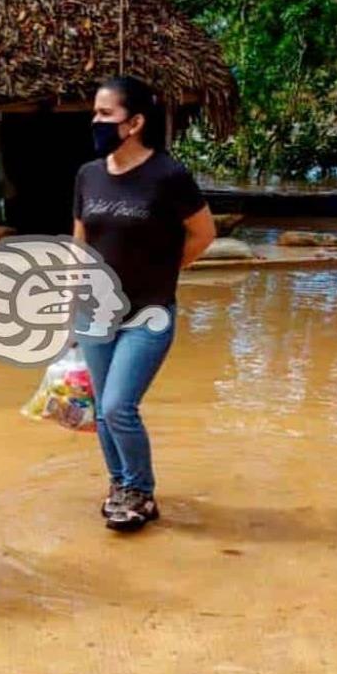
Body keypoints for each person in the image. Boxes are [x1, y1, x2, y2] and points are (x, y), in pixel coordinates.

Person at [72, 75, 216, 532]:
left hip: (148, 313)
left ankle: (141, 491)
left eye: (104, 114)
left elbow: (203, 234)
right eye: (94, 113)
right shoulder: (88, 175)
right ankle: (120, 486)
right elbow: (82, 240)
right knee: (100, 408)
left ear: (134, 122)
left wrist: (167, 271)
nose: (95, 122)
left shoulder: (168, 176)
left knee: (118, 405)